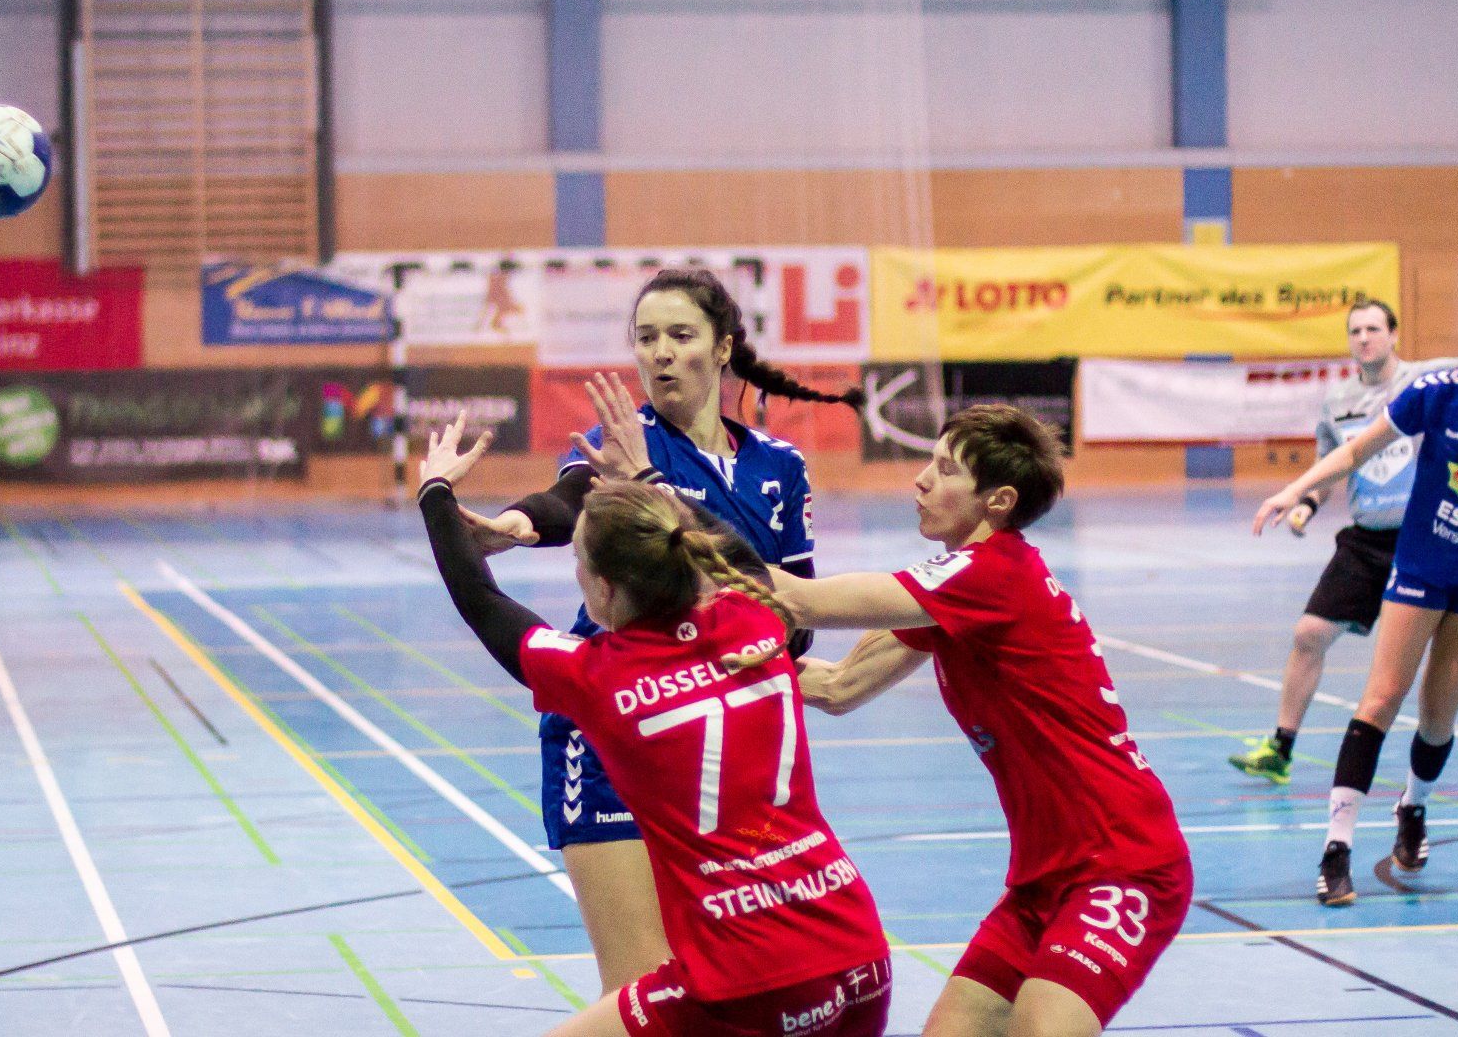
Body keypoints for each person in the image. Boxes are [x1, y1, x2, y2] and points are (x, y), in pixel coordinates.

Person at [414, 413, 892, 1037]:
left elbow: (483, 601)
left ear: (606, 590)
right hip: (858, 956)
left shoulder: (601, 677)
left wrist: (435, 493)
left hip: (744, 982)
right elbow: (743, 561)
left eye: (579, 562)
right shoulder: (753, 618)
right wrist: (649, 480)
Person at [458, 268, 865, 991]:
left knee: (726, 974)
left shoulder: (779, 466)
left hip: (723, 749)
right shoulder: (624, 442)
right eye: (647, 338)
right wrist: (514, 526)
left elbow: (795, 619)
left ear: (723, 347)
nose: (661, 353)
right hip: (617, 728)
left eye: (680, 335)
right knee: (641, 987)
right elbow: (570, 497)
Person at [762, 405, 1191, 1037]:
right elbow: (837, 687)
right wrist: (725, 662)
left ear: (999, 500)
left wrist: (668, 513)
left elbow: (798, 600)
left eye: (945, 470)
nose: (920, 480)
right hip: (1040, 882)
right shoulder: (954, 598)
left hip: (1124, 865)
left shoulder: (990, 574)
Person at [1254, 287, 1458, 906]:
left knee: (1438, 717)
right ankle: (1337, 849)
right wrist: (1294, 491)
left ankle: (1414, 808)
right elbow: (1355, 450)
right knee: (1380, 699)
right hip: (1423, 565)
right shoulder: (1436, 393)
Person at [1229, 289, 1458, 790]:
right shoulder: (1338, 401)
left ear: (1394, 335)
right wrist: (1307, 503)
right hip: (1366, 541)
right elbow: (1335, 463)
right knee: (1309, 633)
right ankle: (1281, 748)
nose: (1364, 338)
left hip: (1429, 537)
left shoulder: (1425, 381)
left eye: (1374, 329)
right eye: (1355, 331)